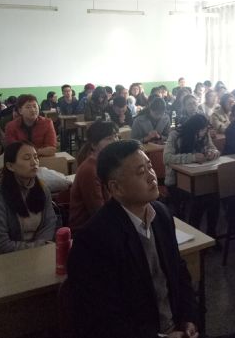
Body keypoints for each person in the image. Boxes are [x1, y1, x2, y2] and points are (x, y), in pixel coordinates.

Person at [67, 140, 199, 337]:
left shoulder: (161, 215)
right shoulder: (93, 240)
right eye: (141, 172)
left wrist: (189, 319)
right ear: (116, 188)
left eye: (150, 167)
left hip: (178, 329)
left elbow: (179, 272)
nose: (152, 176)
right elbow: (102, 317)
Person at [0, 141, 57, 253]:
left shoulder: (43, 189)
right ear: (10, 166)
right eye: (27, 158)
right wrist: (35, 247)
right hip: (10, 257)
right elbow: (1, 243)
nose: (34, 162)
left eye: (36, 157)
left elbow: (50, 222)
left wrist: (40, 246)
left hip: (40, 251)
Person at [164, 114, 220, 236]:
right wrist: (192, 157)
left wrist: (212, 153)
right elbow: (167, 158)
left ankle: (211, 233)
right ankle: (195, 233)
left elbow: (214, 149)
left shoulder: (205, 135)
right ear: (193, 128)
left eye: (205, 129)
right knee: (199, 200)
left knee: (215, 197)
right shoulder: (176, 135)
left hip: (199, 177)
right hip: (176, 180)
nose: (203, 132)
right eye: (201, 130)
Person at [69, 121, 118, 230]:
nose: (115, 141)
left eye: (116, 136)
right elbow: (98, 212)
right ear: (94, 145)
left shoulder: (107, 163)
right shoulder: (90, 170)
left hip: (105, 221)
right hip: (86, 229)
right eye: (109, 138)